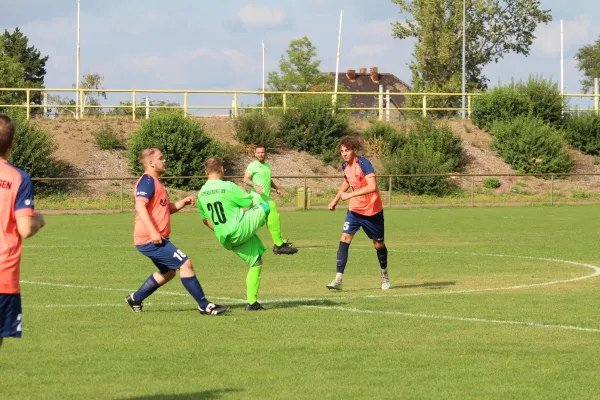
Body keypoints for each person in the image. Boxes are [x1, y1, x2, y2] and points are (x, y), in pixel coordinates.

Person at [125, 148, 228, 316]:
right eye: (161, 158)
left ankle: (135, 298)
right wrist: (153, 231)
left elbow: (166, 209)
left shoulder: (156, 183)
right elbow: (139, 206)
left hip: (151, 238)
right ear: (151, 163)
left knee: (168, 272)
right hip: (149, 238)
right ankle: (204, 305)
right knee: (185, 263)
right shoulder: (147, 181)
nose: (164, 160)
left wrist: (182, 203)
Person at [198, 157, 272, 311]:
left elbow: (206, 221)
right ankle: (280, 244)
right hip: (238, 230)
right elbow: (250, 203)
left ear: (206, 172)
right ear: (222, 169)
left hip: (225, 238)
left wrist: (220, 230)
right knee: (269, 205)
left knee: (256, 262)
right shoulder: (228, 186)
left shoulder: (201, 194)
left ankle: (252, 303)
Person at [0, 113, 46, 348]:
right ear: (12, 144)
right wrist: (39, 219)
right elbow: (25, 228)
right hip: (2, 276)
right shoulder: (18, 178)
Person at [325, 136, 390, 291]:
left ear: (354, 150)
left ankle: (384, 274)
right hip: (355, 210)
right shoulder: (345, 166)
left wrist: (349, 195)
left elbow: (372, 186)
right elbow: (347, 181)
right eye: (342, 151)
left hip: (372, 210)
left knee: (378, 244)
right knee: (345, 238)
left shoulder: (364, 164)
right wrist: (335, 199)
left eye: (347, 150)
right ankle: (338, 279)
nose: (344, 154)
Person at [244, 146, 297, 255]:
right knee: (256, 224)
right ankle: (242, 239)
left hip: (266, 199)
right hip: (257, 199)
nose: (260, 154)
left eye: (262, 152)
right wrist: (255, 185)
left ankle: (279, 244)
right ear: (254, 154)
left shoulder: (267, 166)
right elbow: (246, 179)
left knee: (273, 220)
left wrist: (276, 188)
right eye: (258, 153)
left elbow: (268, 180)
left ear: (265, 153)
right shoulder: (252, 166)